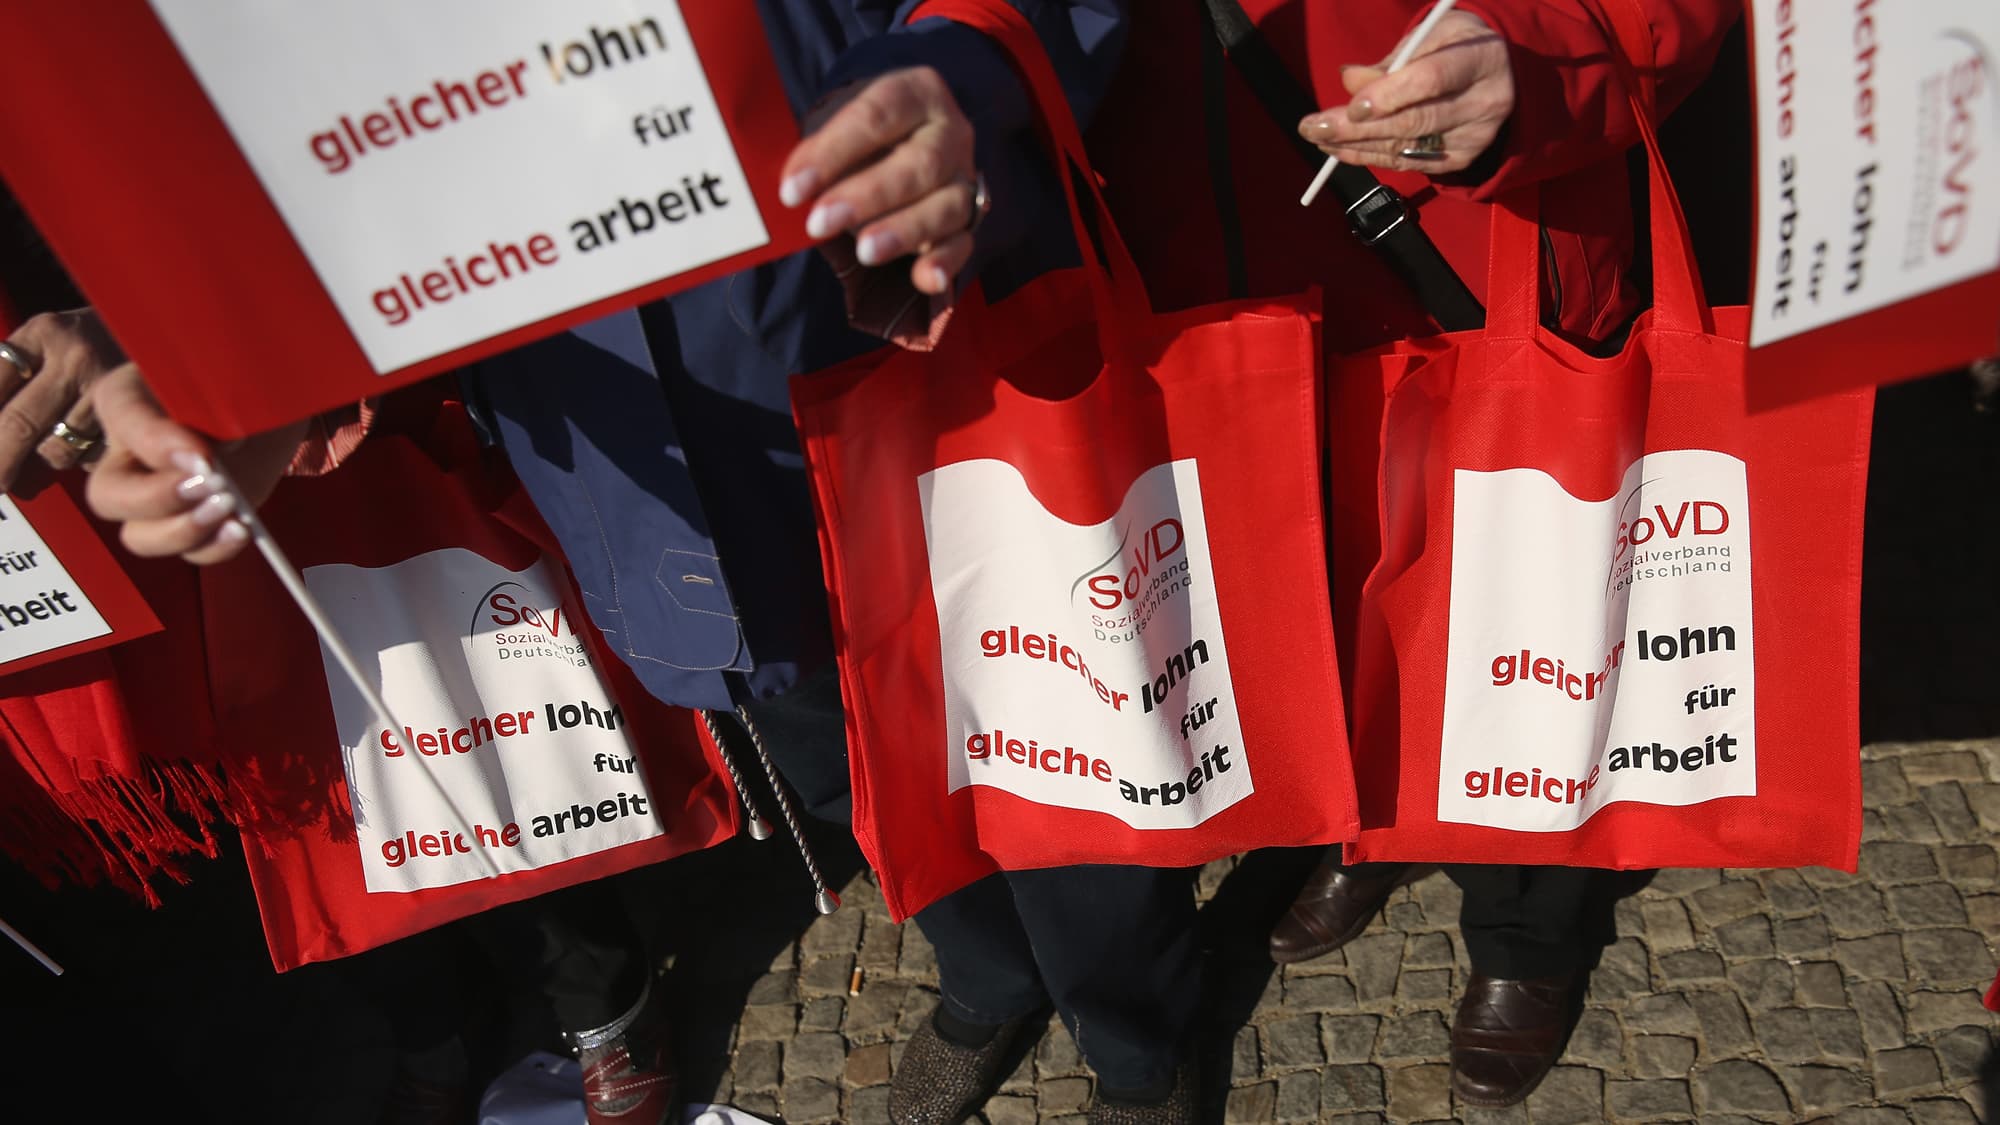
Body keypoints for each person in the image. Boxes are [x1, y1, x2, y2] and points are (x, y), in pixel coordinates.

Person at [88, 4, 1218, 1123]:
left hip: (933, 353)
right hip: (640, 472)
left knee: (1061, 740)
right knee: (837, 770)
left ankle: (1134, 1039)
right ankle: (989, 974)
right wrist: (264, 366)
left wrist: (959, 67)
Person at [1084, 0, 1738, 1108]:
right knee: (1316, 603)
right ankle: (1373, 822)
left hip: (1475, 246)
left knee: (1523, 618)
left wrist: (1548, 63)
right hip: (1204, 264)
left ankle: (1526, 922)